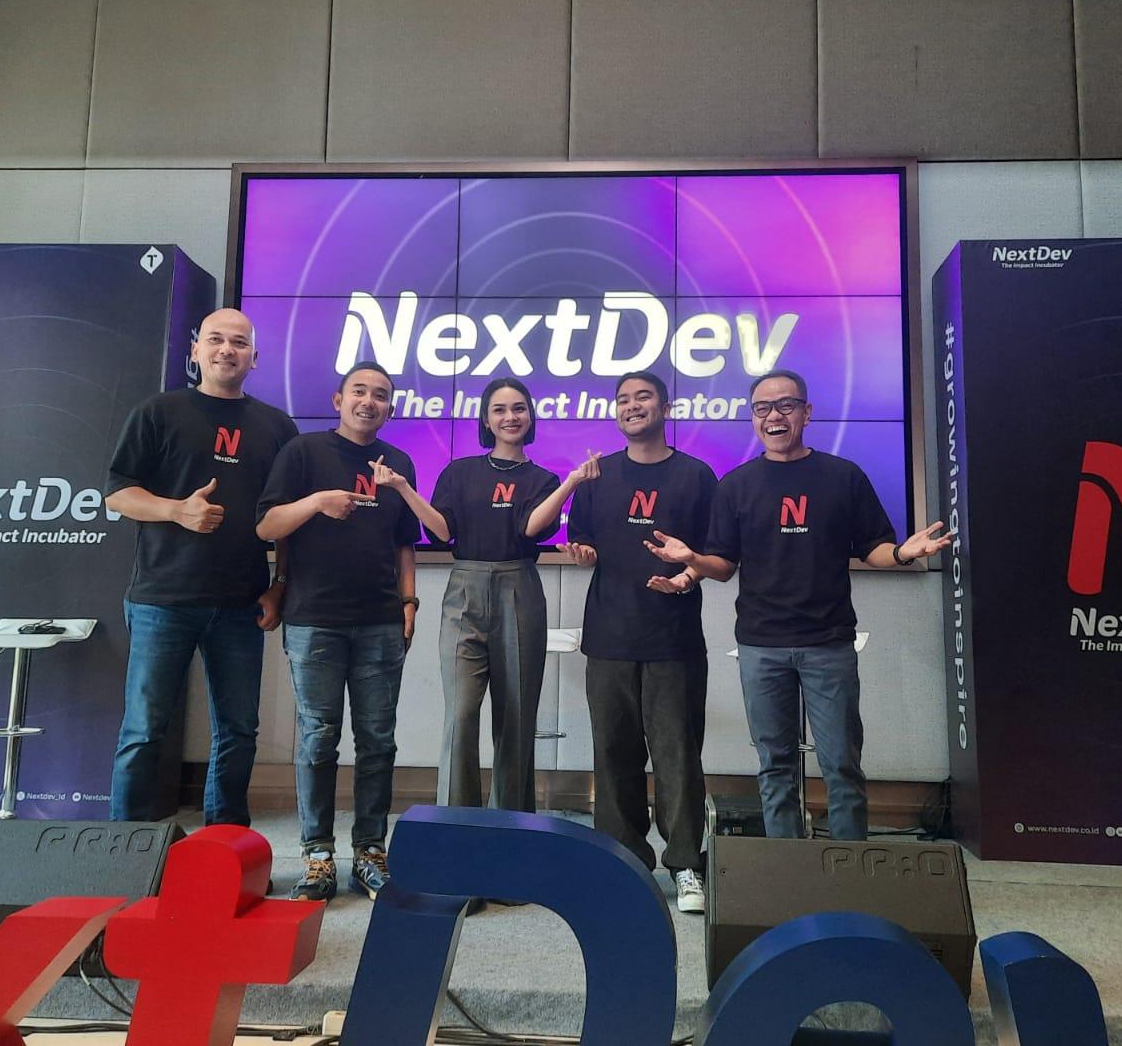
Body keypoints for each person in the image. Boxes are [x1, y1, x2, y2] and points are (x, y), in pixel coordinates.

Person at [648, 369, 951, 842]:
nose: (774, 416)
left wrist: (901, 554)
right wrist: (692, 560)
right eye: (762, 408)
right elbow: (723, 566)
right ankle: (787, 868)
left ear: (806, 413)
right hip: (760, 646)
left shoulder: (843, 477)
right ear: (753, 418)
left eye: (785, 405)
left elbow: (872, 548)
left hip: (828, 643)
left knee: (841, 764)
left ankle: (849, 866)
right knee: (775, 765)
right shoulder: (736, 485)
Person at [104, 307, 297, 828]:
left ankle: (225, 843)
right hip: (161, 600)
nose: (226, 350)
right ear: (196, 349)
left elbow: (287, 517)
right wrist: (176, 510)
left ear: (254, 357)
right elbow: (118, 493)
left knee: (238, 730)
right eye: (215, 339)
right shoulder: (157, 412)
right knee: (145, 730)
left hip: (241, 602)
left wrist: (280, 584)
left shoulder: (278, 427)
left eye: (239, 342)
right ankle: (125, 848)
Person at [550, 371, 716, 913]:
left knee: (678, 755)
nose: (631, 405)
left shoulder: (696, 476)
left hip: (674, 638)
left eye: (643, 397)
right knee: (613, 754)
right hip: (610, 636)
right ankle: (623, 860)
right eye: (622, 399)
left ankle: (686, 863)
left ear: (666, 408)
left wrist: (685, 577)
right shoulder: (597, 477)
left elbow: (713, 555)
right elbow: (585, 543)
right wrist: (583, 555)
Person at [370, 377, 576, 813]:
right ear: (485, 419)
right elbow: (443, 532)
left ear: (530, 416)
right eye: (499, 409)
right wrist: (404, 488)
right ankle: (456, 823)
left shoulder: (544, 479)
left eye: (518, 408)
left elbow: (530, 529)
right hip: (464, 588)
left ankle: (511, 822)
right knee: (461, 715)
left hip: (519, 587)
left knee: (516, 716)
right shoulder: (459, 472)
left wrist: (570, 483)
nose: (510, 417)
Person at [256, 361, 419, 902]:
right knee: (318, 738)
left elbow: (404, 543)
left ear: (390, 408)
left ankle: (370, 852)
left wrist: (409, 601)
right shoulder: (303, 452)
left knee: (378, 741)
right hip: (314, 619)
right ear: (338, 400)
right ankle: (317, 855)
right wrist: (315, 502)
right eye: (359, 392)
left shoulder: (397, 463)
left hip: (380, 620)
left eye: (381, 395)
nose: (369, 401)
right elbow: (267, 525)